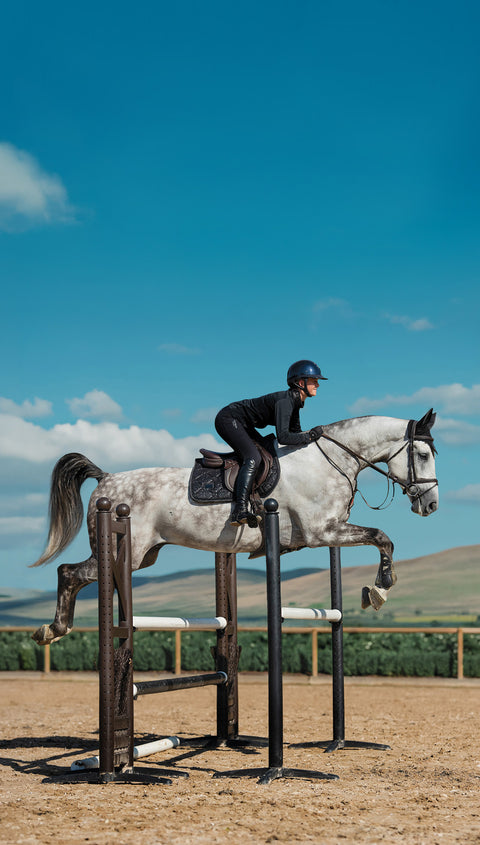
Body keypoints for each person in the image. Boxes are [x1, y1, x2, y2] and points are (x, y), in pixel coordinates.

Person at [215, 360, 327, 527]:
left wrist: (313, 438)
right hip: (229, 419)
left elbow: (295, 434)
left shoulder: (295, 402)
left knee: (266, 452)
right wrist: (310, 436)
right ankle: (239, 511)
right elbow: (283, 437)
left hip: (243, 423)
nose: (318, 384)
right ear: (301, 382)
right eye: (314, 380)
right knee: (253, 457)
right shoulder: (285, 401)